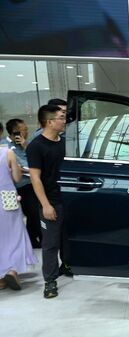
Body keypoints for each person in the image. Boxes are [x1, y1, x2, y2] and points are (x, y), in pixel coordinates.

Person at [26, 104, 72, 299]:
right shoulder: (36, 146)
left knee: (69, 238)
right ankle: (50, 280)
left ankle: (68, 265)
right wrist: (45, 205)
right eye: (61, 117)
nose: (64, 121)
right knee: (51, 243)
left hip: (71, 198)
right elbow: (35, 178)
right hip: (52, 200)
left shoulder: (67, 142)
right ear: (49, 122)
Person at [0, 146, 38, 290]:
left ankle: (1, 279)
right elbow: (17, 178)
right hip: (7, 198)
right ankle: (11, 270)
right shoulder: (8, 152)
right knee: (14, 236)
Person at [5, 119, 42, 247]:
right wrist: (30, 168)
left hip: (32, 182)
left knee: (34, 212)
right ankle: (38, 238)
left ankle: (32, 239)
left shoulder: (27, 143)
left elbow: (37, 160)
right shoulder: (5, 147)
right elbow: (19, 166)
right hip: (18, 185)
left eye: (26, 129)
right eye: (23, 130)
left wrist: (26, 145)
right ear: (14, 132)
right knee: (33, 212)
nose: (26, 132)